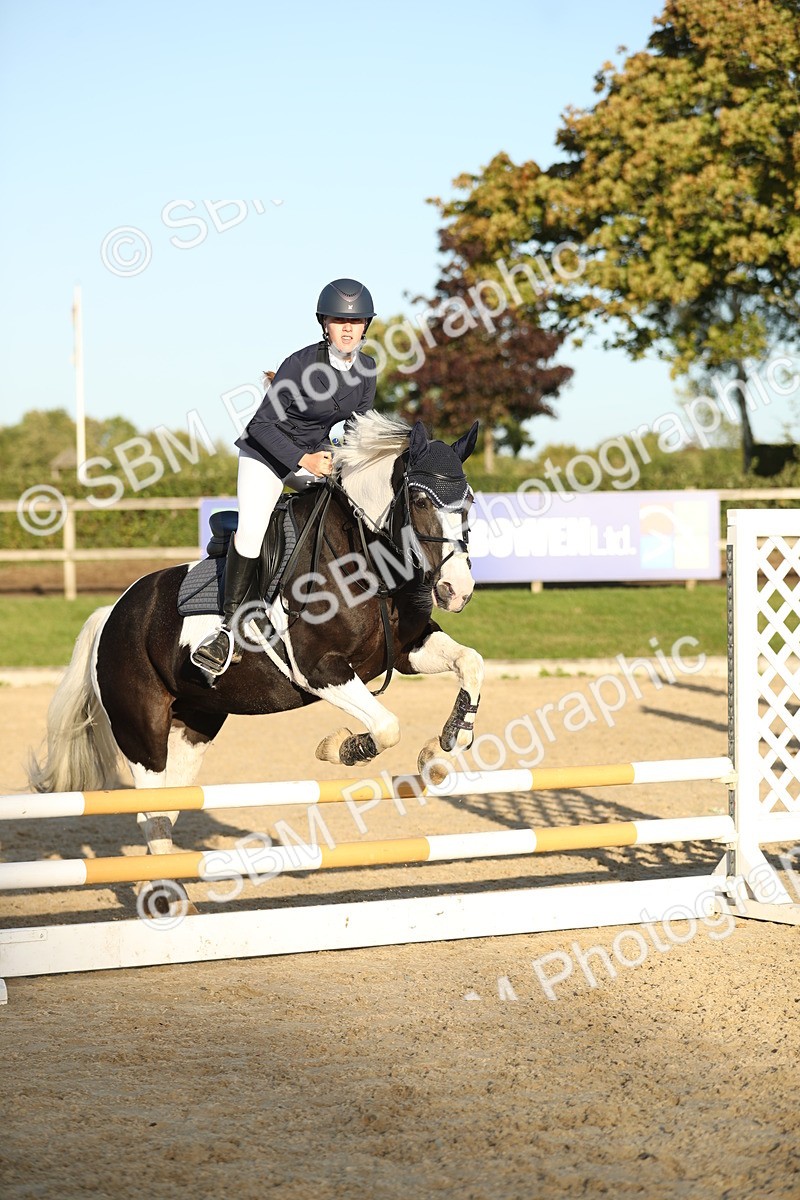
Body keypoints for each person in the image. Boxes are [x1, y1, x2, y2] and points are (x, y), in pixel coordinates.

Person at [191, 278, 377, 675]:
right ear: (324, 324)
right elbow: (261, 426)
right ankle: (228, 629)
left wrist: (342, 459)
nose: (347, 328)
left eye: (355, 321)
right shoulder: (301, 363)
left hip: (311, 458)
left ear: (365, 327)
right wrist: (304, 460)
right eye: (338, 321)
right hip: (266, 455)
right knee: (255, 529)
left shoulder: (366, 370)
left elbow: (357, 429)